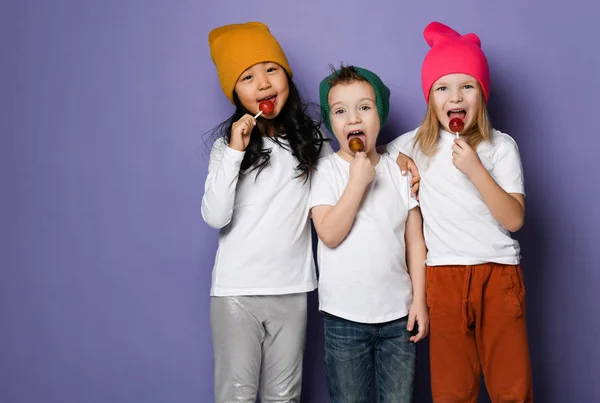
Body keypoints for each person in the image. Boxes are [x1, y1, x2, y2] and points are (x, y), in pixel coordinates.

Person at [387, 21, 533, 402]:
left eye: (467, 85)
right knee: (451, 391)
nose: (455, 96)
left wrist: (476, 170)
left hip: (498, 276)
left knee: (511, 389)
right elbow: (378, 154)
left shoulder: (500, 147)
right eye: (443, 87)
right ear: (431, 98)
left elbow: (514, 219)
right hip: (444, 278)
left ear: (482, 94)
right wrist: (406, 164)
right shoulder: (417, 144)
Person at [201, 21, 330, 402]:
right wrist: (236, 152)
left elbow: (351, 170)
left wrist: (399, 157)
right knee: (235, 395)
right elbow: (215, 216)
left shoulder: (313, 143)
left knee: (284, 397)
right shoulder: (227, 150)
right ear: (235, 93)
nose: (263, 83)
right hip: (236, 291)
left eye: (271, 69)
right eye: (247, 76)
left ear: (286, 74)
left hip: (292, 289)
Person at [311, 64, 428, 403]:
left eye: (364, 107)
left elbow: (415, 242)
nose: (353, 119)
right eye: (340, 111)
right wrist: (357, 183)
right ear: (331, 121)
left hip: (398, 317)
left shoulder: (399, 170)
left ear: (381, 114)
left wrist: (419, 301)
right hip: (344, 317)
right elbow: (329, 234)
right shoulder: (326, 171)